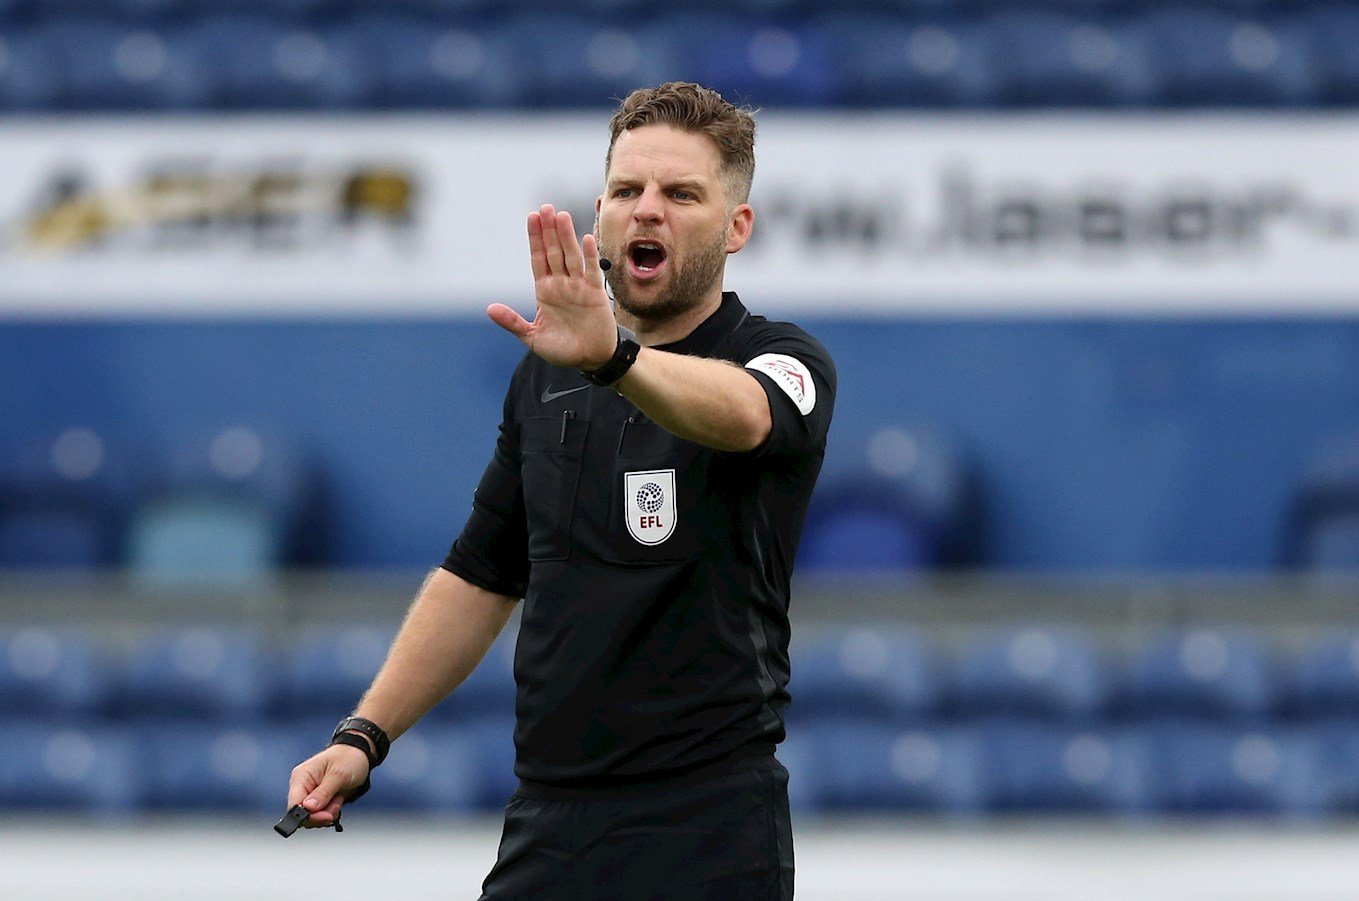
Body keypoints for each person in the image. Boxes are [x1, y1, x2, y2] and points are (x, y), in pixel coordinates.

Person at [286, 82, 836, 900]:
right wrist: (365, 733)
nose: (646, 210)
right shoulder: (546, 376)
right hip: (551, 819)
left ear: (736, 228)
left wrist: (614, 359)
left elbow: (746, 414)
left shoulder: (783, 358)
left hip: (708, 823)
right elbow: (482, 571)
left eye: (681, 194)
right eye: (625, 190)